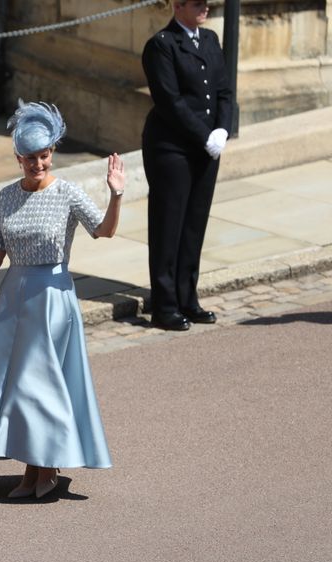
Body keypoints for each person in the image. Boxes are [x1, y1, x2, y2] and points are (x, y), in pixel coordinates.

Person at [0, 101, 120, 498]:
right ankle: (33, 469)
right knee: (13, 386)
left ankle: (43, 469)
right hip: (13, 296)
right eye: (29, 158)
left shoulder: (68, 193)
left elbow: (105, 231)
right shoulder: (7, 196)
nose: (37, 164)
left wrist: (116, 196)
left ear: (52, 153)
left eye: (43, 156)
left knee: (39, 385)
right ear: (18, 158)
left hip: (52, 299)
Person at [142, 0, 233, 331]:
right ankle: (164, 306)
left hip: (207, 146)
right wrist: (204, 135)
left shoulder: (209, 40)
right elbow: (170, 101)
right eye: (197, 3)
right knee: (169, 226)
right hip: (172, 147)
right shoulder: (161, 46)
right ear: (178, 6)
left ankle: (187, 298)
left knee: (194, 223)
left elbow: (223, 90)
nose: (205, 8)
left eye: (206, 3)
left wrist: (223, 128)